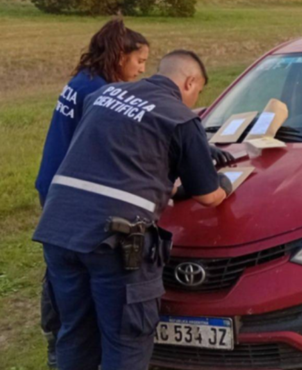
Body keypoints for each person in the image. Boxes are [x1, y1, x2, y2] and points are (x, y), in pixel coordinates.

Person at [33, 50, 234, 370]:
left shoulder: (103, 94)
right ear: (190, 81)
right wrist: (224, 181)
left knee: (75, 334)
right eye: (198, 91)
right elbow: (209, 196)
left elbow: (123, 162)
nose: (195, 97)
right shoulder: (179, 116)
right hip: (114, 242)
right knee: (125, 340)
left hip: (59, 229)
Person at [35, 18, 150, 368]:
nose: (143, 69)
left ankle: (65, 343)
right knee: (71, 288)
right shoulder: (98, 94)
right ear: (120, 57)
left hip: (52, 186)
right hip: (71, 197)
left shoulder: (81, 81)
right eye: (140, 61)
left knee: (62, 276)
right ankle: (64, 349)